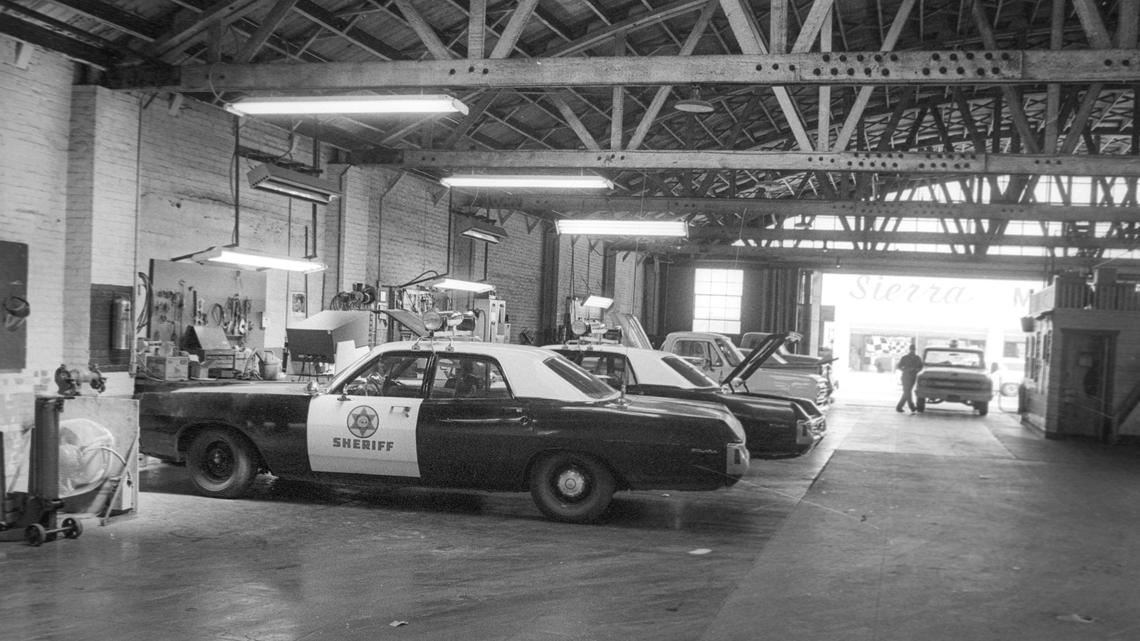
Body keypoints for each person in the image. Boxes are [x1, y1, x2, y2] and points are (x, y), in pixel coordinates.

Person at [895, 344, 924, 413]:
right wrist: (905, 370)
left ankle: (899, 407)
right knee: (907, 392)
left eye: (913, 349)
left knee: (907, 392)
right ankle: (912, 407)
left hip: (913, 377)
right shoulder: (904, 357)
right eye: (911, 349)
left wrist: (917, 370)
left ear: (915, 350)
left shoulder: (918, 358)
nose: (912, 351)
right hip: (905, 377)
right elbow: (899, 366)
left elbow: (921, 367)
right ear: (909, 349)